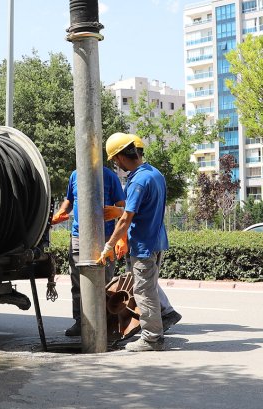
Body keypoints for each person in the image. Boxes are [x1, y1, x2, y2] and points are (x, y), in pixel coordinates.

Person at [100, 132, 179, 352]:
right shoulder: (155, 174)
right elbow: (143, 208)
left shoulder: (137, 181)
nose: (116, 163)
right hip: (156, 241)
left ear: (120, 157)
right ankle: (159, 326)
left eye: (115, 159)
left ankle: (152, 338)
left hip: (144, 245)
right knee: (149, 288)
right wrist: (119, 210)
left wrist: (109, 246)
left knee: (144, 292)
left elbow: (126, 219)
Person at [51, 165, 124, 337]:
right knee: (78, 283)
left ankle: (105, 324)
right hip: (78, 237)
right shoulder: (75, 174)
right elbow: (69, 200)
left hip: (104, 236)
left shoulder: (109, 176)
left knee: (104, 282)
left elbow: (122, 206)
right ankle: (80, 322)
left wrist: (121, 237)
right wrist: (60, 213)